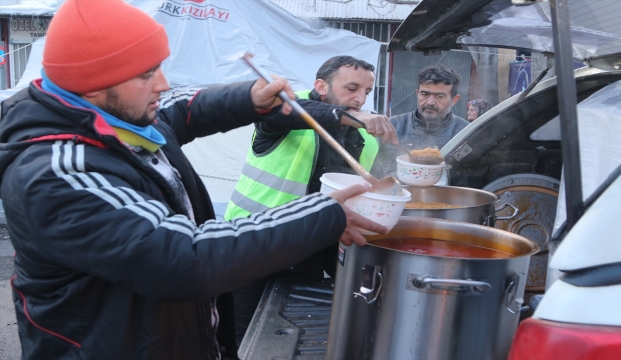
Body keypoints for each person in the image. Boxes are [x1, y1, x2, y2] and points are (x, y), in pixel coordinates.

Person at [0, 1, 388, 359]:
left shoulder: (123, 119)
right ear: (95, 84)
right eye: (147, 74)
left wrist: (249, 97)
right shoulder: (58, 172)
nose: (163, 84)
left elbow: (183, 112)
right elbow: (183, 259)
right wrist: (323, 215)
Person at [224, 55, 397, 344]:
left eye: (366, 91)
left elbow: (375, 181)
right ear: (321, 85)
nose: (360, 99)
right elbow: (292, 111)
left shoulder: (366, 134)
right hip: (253, 242)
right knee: (237, 338)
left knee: (291, 334)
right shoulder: (282, 109)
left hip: (313, 245)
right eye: (352, 88)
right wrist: (352, 114)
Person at [371, 64, 469, 178]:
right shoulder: (394, 125)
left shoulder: (465, 133)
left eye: (440, 96)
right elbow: (377, 172)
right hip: (397, 192)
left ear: (454, 100)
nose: (430, 102)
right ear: (417, 93)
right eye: (425, 94)